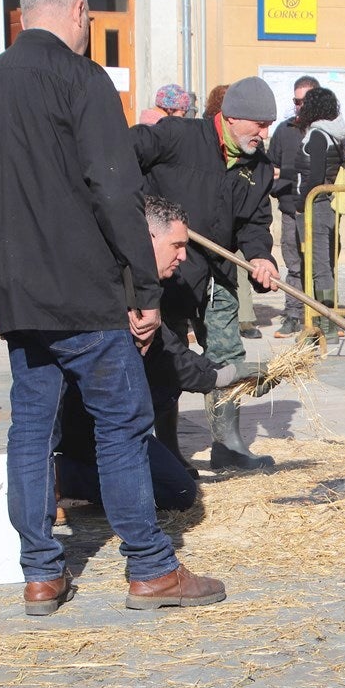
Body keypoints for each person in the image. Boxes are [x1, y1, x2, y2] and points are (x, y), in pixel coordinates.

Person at [0, 0, 224, 615]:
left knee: (30, 431)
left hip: (21, 297)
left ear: (23, 16)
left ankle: (41, 576)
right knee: (123, 425)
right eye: (90, 21)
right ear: (78, 12)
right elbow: (115, 191)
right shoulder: (83, 78)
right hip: (84, 291)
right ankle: (151, 569)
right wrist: (144, 288)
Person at [56, 197, 274, 497]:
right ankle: (60, 476)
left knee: (179, 490)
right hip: (88, 425)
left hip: (119, 426)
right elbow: (167, 357)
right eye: (177, 245)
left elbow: (169, 348)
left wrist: (230, 374)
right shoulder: (111, 284)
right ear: (149, 237)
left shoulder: (146, 286)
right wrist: (226, 377)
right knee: (165, 488)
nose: (183, 256)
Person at [131, 76, 280, 471]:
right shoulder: (178, 136)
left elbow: (254, 221)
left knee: (227, 351)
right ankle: (165, 451)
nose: (265, 134)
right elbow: (124, 153)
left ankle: (227, 445)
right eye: (259, 124)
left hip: (217, 271)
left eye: (269, 125)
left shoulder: (258, 167)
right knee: (166, 356)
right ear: (230, 117)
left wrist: (261, 256)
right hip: (170, 268)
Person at [294, 86, 345, 340]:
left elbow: (315, 176)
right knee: (323, 265)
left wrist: (301, 202)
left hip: (316, 206)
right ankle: (323, 320)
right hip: (325, 205)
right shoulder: (334, 133)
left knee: (320, 267)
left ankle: (328, 327)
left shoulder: (318, 135)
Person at [266, 74, 320, 337]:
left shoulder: (327, 131)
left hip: (321, 212)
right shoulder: (284, 131)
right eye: (295, 101)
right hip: (291, 211)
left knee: (322, 266)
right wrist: (280, 188)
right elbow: (268, 167)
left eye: (304, 101)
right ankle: (293, 314)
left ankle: (324, 317)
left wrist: (285, 171)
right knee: (294, 266)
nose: (299, 106)